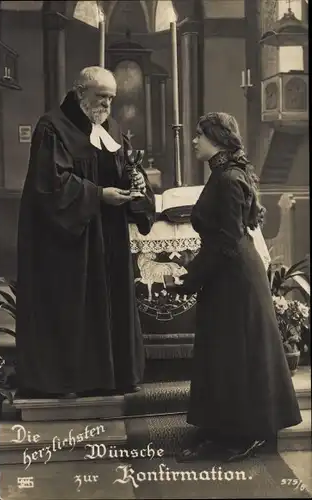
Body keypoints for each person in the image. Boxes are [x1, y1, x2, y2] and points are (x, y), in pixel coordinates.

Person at [15, 66, 155, 399]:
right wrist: (98, 195)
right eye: (100, 97)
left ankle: (114, 376)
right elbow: (51, 185)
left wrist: (135, 185)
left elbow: (124, 171)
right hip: (69, 243)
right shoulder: (52, 127)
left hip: (108, 238)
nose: (106, 105)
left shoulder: (112, 129)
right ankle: (70, 381)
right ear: (80, 94)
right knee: (73, 306)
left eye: (111, 98)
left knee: (110, 304)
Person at [170, 112, 302, 462]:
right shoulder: (225, 174)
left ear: (216, 137)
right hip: (228, 274)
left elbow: (227, 240)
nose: (194, 140)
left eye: (199, 134)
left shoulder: (227, 178)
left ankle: (240, 436)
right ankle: (219, 430)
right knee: (224, 354)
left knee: (233, 355)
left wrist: (191, 278)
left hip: (234, 278)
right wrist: (196, 274)